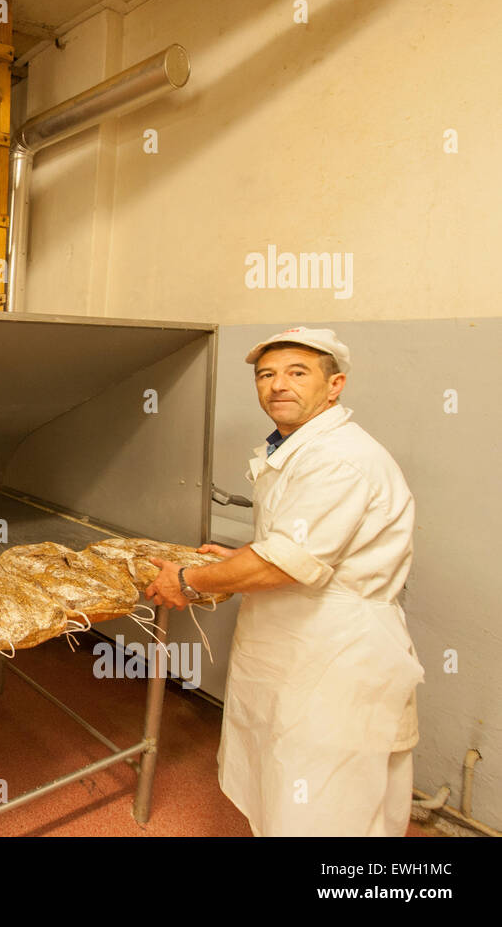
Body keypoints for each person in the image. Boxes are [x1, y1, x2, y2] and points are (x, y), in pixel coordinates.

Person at [145, 327, 424, 836]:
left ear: (335, 384)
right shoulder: (300, 445)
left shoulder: (338, 459)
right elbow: (295, 547)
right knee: (294, 783)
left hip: (334, 652)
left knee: (327, 799)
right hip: (299, 638)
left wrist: (186, 580)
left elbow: (283, 564)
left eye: (298, 373)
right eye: (266, 375)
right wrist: (244, 557)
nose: (278, 385)